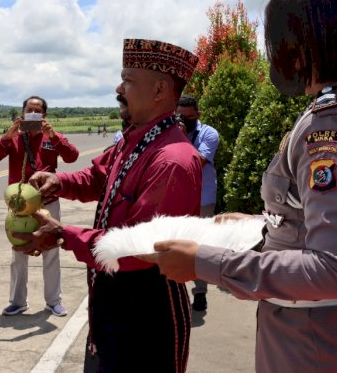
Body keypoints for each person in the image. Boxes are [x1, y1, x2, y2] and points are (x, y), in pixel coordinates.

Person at [145, 0, 337, 372]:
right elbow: (330, 220)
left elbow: (334, 270)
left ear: (304, 46)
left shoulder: (333, 126)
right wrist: (259, 224)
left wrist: (204, 263)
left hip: (320, 345)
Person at [14, 39, 202, 372]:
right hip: (113, 304)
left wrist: (63, 235)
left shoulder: (171, 160)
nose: (119, 88)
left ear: (159, 89)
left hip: (146, 316)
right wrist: (60, 182)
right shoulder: (138, 139)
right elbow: (100, 176)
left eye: (128, 79)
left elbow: (138, 249)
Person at [0, 96, 80, 317]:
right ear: (22, 113)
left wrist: (54, 136)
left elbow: (72, 156)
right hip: (20, 205)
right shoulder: (14, 137)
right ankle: (17, 301)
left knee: (51, 250)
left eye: (38, 110)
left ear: (44, 115)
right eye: (29, 109)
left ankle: (53, 301)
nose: (33, 113)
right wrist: (7, 136)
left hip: (47, 202)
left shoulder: (51, 137)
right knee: (19, 253)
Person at [176, 95, 219, 311]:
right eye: (181, 116)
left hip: (202, 199)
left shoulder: (209, 134)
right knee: (175, 245)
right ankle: (175, 294)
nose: (185, 120)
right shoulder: (171, 134)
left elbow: (196, 163)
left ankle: (200, 292)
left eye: (190, 117)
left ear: (198, 114)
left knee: (199, 248)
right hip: (176, 199)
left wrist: (183, 139)